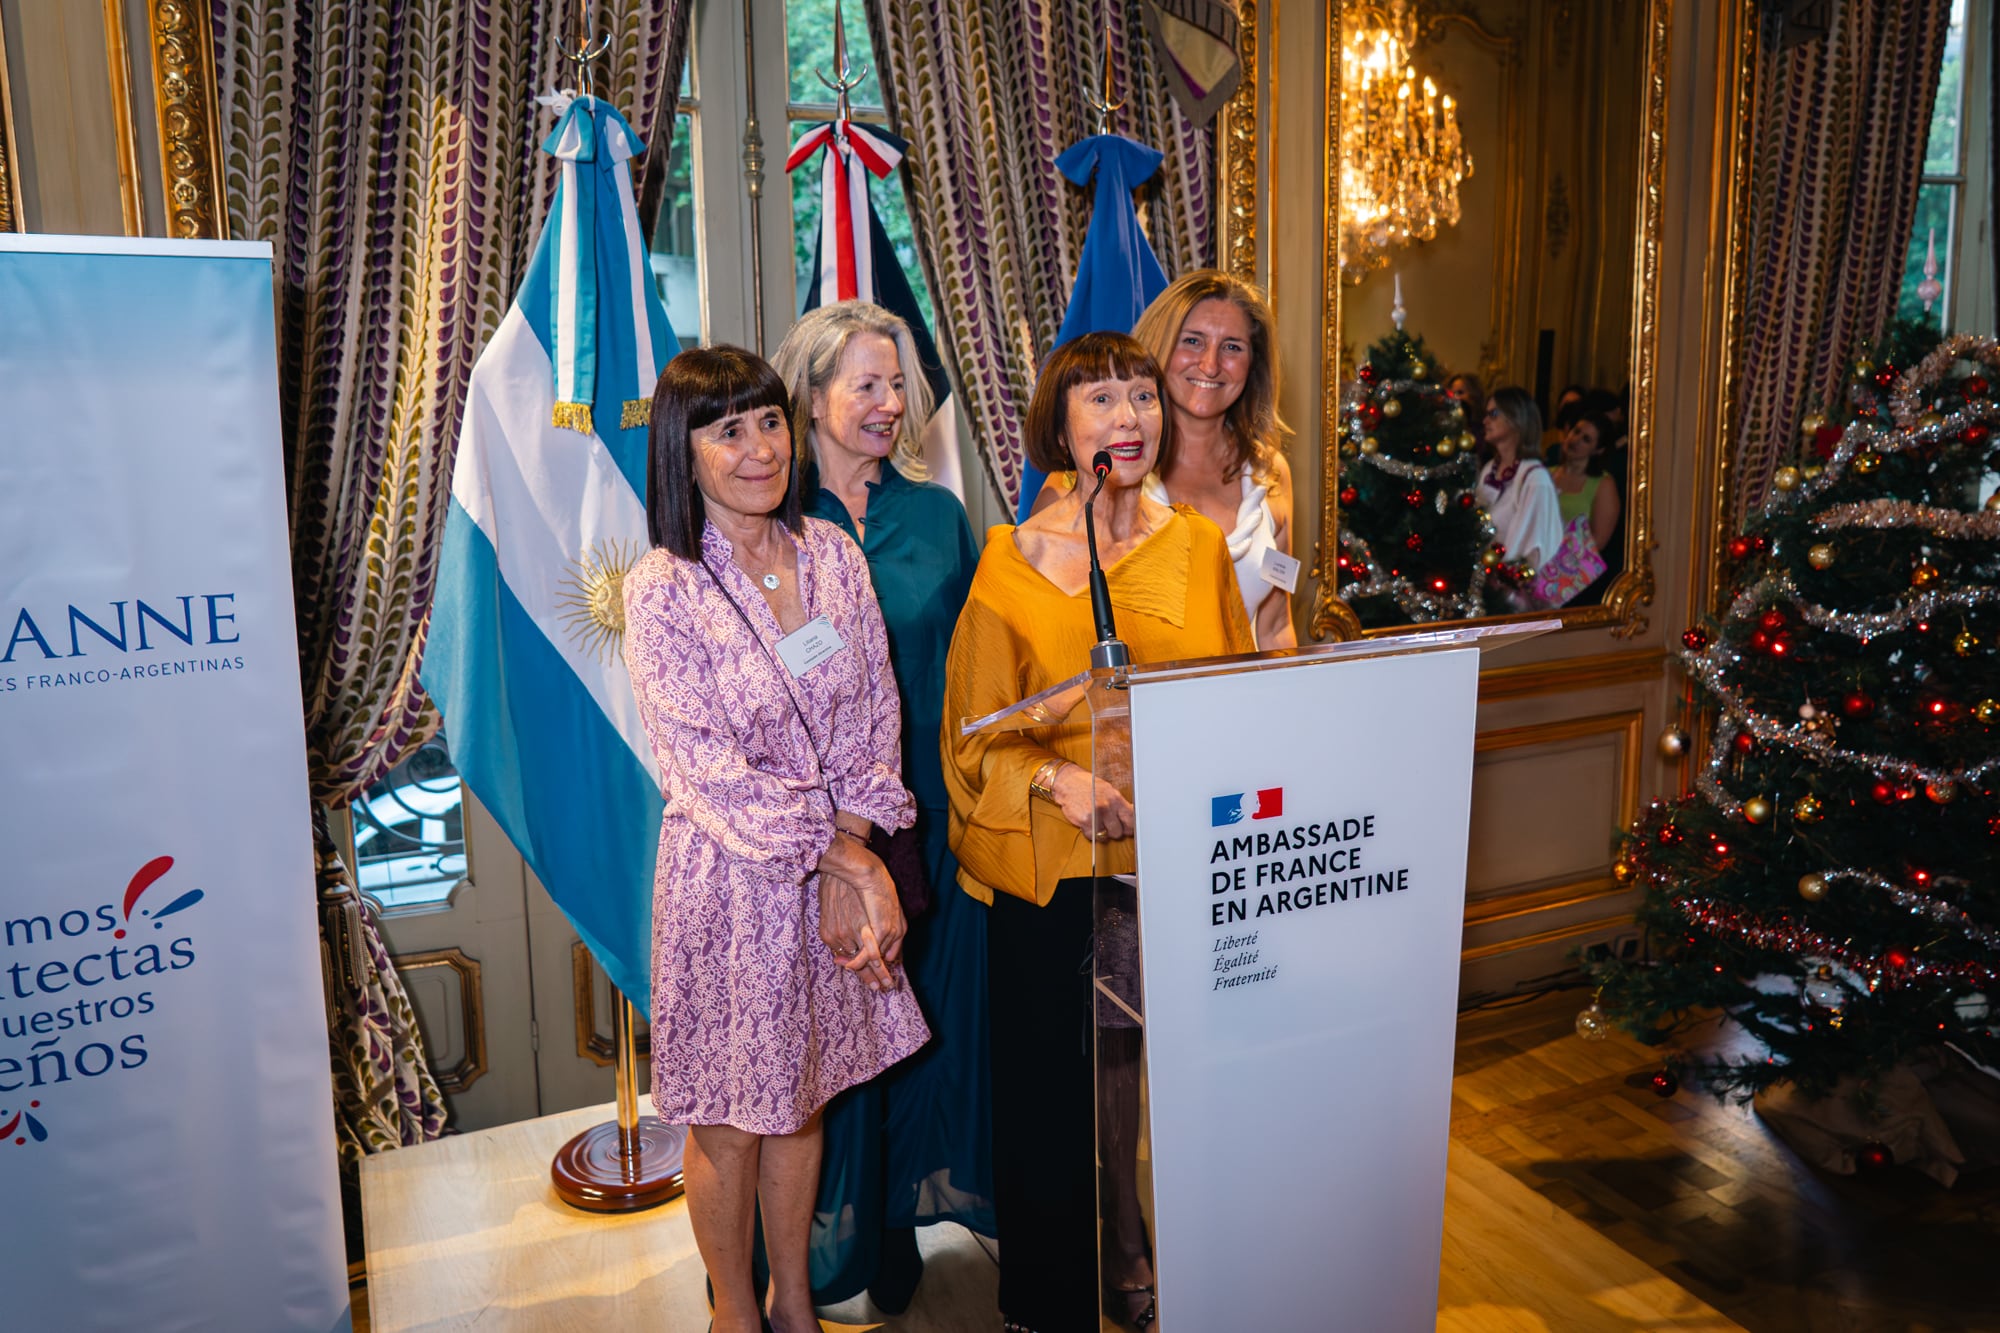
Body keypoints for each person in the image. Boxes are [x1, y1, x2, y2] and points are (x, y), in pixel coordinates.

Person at [943, 331, 1255, 1333]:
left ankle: (1188, 1264)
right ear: (1060, 429)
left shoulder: (1198, 550)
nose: (1127, 419)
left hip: (1178, 864)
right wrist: (1050, 774)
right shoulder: (1005, 567)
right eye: (1100, 402)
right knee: (1048, 1102)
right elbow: (971, 745)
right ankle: (1048, 1306)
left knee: (1199, 1084)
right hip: (1055, 875)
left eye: (1140, 398)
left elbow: (1239, 705)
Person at [622, 345, 928, 1333]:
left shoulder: (830, 553)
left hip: (829, 875)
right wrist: (850, 861)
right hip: (728, 889)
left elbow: (874, 711)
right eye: (726, 430)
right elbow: (703, 768)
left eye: (767, 422)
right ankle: (734, 1313)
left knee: (801, 1100)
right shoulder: (663, 588)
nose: (757, 449)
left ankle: (795, 1302)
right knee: (729, 1119)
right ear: (685, 451)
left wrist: (848, 842)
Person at [770, 301, 994, 1313]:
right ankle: (820, 1243)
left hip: (927, 826)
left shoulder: (939, 517)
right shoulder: (772, 523)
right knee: (827, 1046)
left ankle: (898, 1214)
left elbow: (972, 674)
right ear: (811, 398)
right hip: (811, 834)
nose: (889, 402)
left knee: (919, 1027)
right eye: (865, 383)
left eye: (896, 382)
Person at [1031, 272, 1296, 648]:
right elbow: (1047, 638)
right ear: (1158, 347)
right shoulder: (1082, 482)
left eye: (1232, 347)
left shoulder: (1270, 473)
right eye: (1192, 341)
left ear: (1254, 364)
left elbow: (1274, 629)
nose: (1210, 365)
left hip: (1244, 700)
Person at [1477, 386, 1563, 575]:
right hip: (1486, 580)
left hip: (1514, 591)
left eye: (1494, 414)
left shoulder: (1535, 479)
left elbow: (1536, 551)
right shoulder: (1489, 469)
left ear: (1516, 419)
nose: (1485, 421)